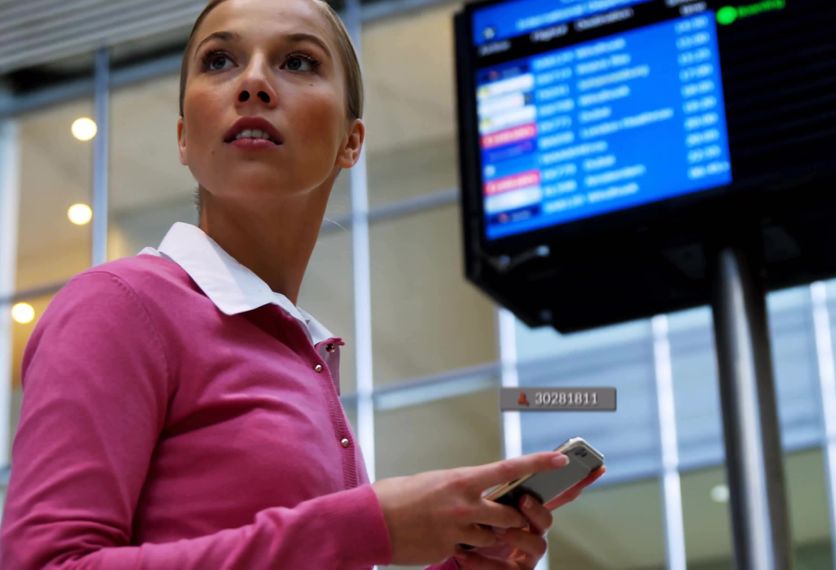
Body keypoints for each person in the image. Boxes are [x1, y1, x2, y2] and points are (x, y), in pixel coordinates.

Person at [0, 0, 604, 568]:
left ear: (351, 141)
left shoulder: (299, 357)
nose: (253, 83)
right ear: (185, 137)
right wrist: (369, 526)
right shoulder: (120, 305)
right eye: (219, 61)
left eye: (297, 62)